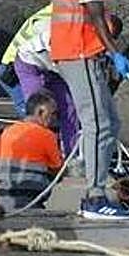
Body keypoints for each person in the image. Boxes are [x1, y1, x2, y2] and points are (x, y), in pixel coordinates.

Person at [50, 0, 129, 221]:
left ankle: (96, 186)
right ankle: (95, 197)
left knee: (109, 122)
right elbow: (96, 16)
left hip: (82, 55)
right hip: (79, 53)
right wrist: (116, 53)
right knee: (97, 123)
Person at [14, 9, 80, 155]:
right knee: (38, 107)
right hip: (29, 62)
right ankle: (34, 151)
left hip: (53, 69)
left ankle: (72, 153)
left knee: (70, 106)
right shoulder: (62, 35)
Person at [0, 90, 64, 210]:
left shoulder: (8, 131)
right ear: (41, 112)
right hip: (31, 201)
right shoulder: (47, 136)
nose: (54, 118)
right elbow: (58, 169)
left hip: (3, 201)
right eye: (53, 113)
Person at [0, 2, 52, 116]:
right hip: (13, 67)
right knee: (31, 109)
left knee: (34, 107)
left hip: (13, 62)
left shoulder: (45, 13)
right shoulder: (47, 20)